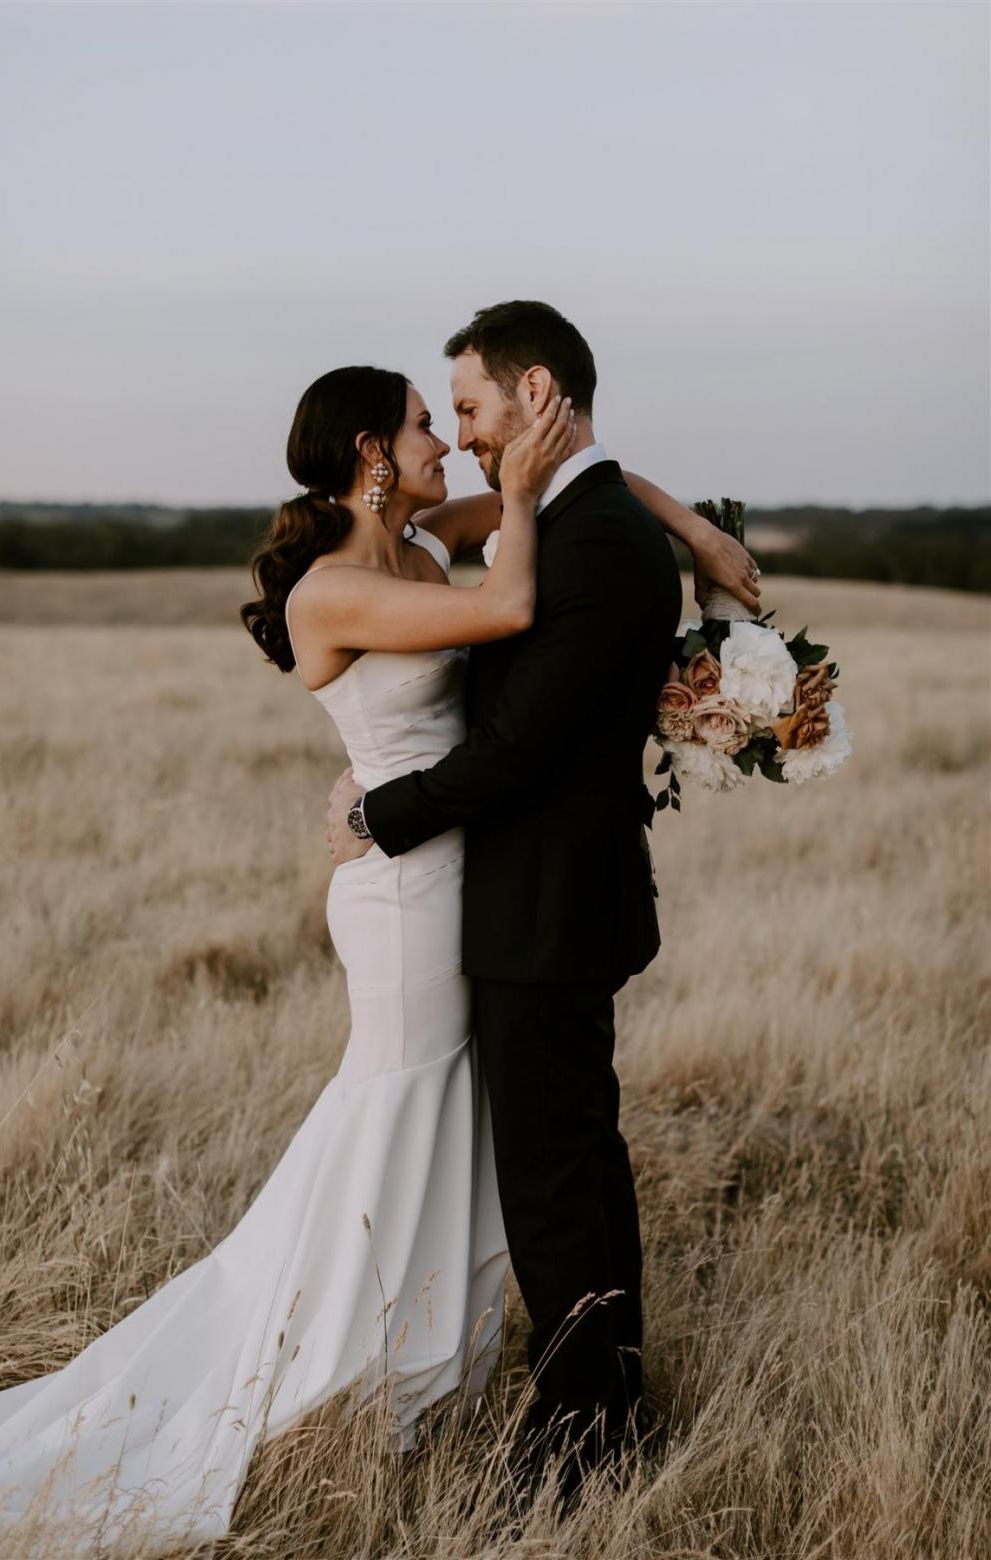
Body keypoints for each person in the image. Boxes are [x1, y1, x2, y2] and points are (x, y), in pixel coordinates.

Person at [0, 347, 758, 1548]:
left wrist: (698, 530)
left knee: (450, 1111)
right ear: (374, 453)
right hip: (395, 891)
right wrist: (528, 492)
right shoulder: (327, 589)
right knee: (392, 1105)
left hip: (459, 871)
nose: (452, 445)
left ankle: (422, 1348)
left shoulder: (422, 544)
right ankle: (320, 1358)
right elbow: (506, 609)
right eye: (431, 426)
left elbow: (592, 479)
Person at [324, 301, 761, 1499]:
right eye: (443, 418)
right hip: (538, 896)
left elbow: (513, 751)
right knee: (574, 1158)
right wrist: (692, 524)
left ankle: (579, 1442)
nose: (459, 434)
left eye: (465, 406)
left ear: (534, 395)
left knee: (555, 1175)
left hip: (544, 906)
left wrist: (375, 817)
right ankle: (603, 1394)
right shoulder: (577, 517)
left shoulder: (596, 541)